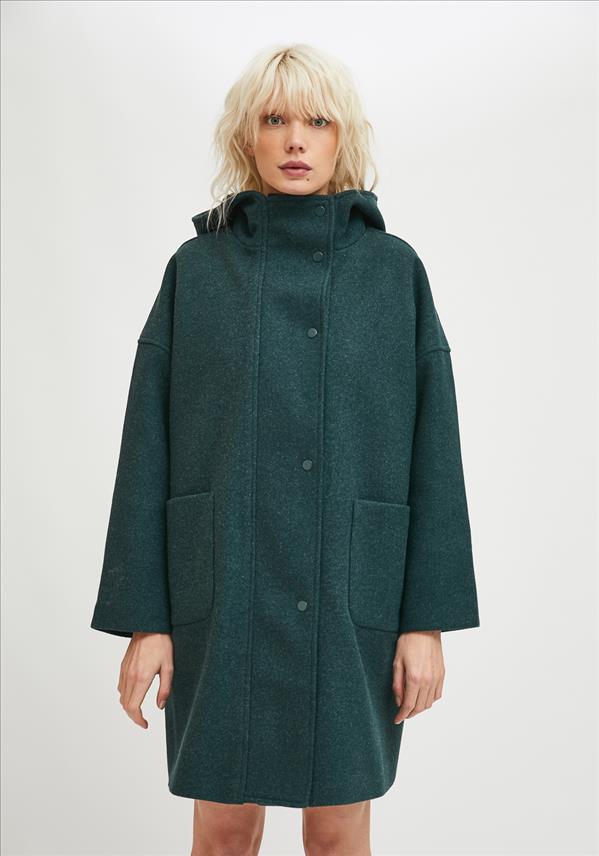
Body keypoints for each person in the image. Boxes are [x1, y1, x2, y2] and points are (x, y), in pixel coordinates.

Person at [91, 42, 480, 856]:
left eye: (317, 121)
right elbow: (146, 449)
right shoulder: (197, 272)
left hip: (352, 596)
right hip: (221, 594)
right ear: (247, 135)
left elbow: (433, 454)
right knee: (223, 829)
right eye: (274, 119)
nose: (295, 139)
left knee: (338, 831)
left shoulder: (393, 273)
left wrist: (426, 622)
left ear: (344, 137)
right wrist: (146, 620)